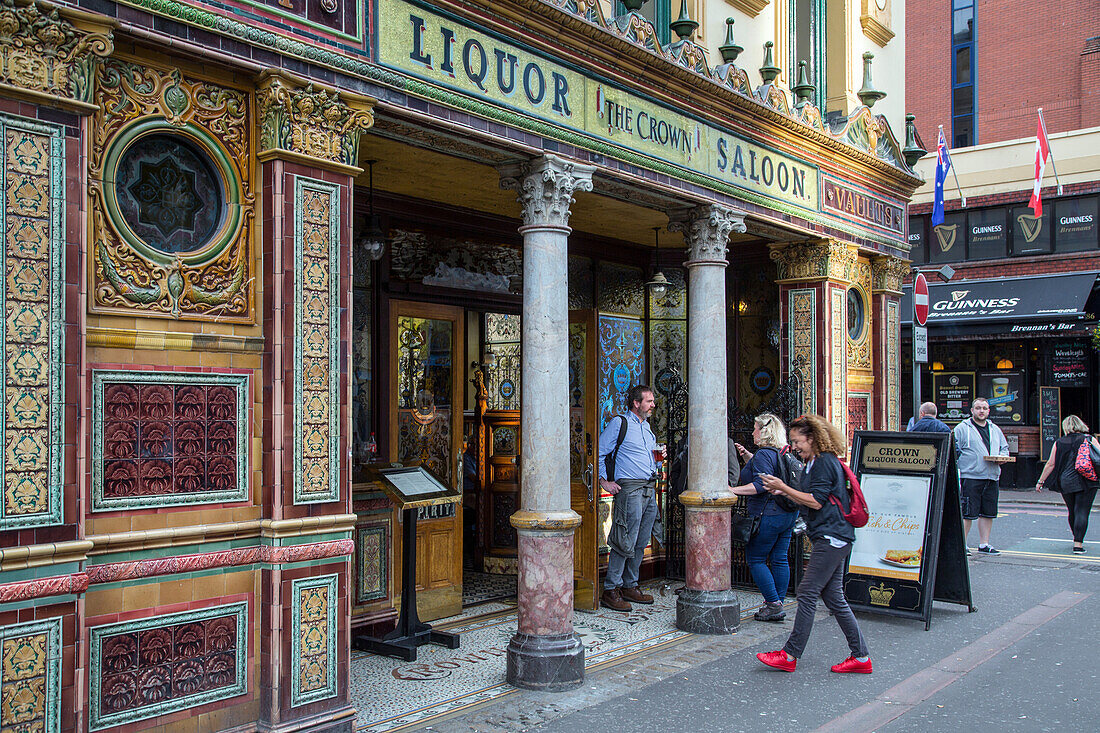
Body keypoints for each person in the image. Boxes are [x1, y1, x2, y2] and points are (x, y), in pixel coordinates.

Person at [755, 414, 871, 674]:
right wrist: (784, 490)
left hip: (832, 537)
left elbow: (816, 501)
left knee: (807, 593)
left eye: (798, 441)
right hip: (836, 536)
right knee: (834, 597)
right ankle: (861, 657)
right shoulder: (815, 462)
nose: (795, 447)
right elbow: (813, 498)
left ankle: (790, 654)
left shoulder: (823, 463)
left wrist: (783, 486)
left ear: (812, 438)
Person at [596, 385, 664, 612]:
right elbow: (600, 451)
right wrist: (604, 481)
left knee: (640, 539)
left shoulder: (647, 428)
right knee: (624, 537)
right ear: (636, 403)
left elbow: (649, 460)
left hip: (648, 488)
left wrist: (660, 460)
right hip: (630, 489)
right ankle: (611, 589)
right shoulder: (620, 423)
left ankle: (630, 585)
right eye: (649, 401)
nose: (653, 405)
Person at [730, 413, 799, 622]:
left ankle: (772, 603)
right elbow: (768, 469)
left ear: (765, 431)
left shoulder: (764, 454)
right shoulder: (782, 452)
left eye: (755, 428)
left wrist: (731, 490)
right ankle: (778, 602)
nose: (752, 432)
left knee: (756, 559)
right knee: (779, 558)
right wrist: (747, 456)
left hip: (768, 514)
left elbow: (760, 486)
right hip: (788, 514)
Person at [953, 397, 1010, 555]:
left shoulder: (995, 429)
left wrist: (1002, 457)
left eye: (984, 408)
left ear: (988, 411)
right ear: (972, 411)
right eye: (978, 408)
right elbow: (954, 449)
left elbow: (1004, 448)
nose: (981, 411)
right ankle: (962, 545)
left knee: (988, 512)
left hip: (991, 476)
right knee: (968, 513)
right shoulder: (962, 428)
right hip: (970, 476)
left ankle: (984, 544)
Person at [1035, 415, 1099, 553]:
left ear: (1065, 427)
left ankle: (1076, 536)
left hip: (1066, 481)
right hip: (1087, 479)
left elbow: (1050, 464)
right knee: (1082, 510)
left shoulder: (1059, 442)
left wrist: (1041, 481)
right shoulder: (1089, 439)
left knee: (1072, 510)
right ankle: (1078, 544)